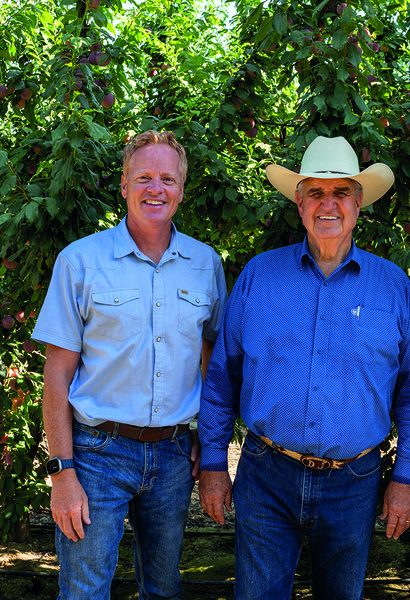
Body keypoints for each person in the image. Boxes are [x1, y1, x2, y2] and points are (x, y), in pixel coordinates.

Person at [198, 135, 410, 599]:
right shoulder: (259, 276)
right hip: (267, 473)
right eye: (316, 193)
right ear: (299, 204)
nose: (329, 204)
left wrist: (406, 477)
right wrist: (211, 461)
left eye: (341, 192)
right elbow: (223, 375)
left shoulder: (391, 285)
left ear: (358, 204)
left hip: (355, 480)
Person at [32, 130, 228, 599]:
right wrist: (62, 473)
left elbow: (211, 359)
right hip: (96, 454)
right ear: (123, 185)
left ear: (181, 189)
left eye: (167, 178)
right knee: (84, 592)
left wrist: (208, 436)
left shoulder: (205, 265)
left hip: (175, 457)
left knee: (163, 590)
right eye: (143, 177)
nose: (154, 188)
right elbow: (56, 373)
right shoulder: (80, 261)